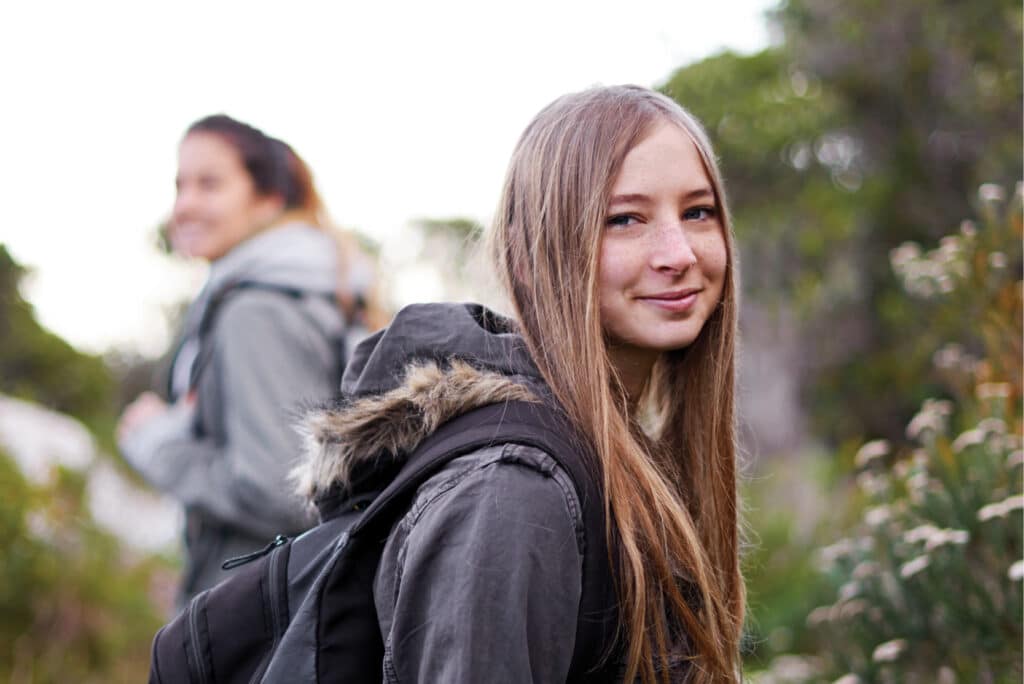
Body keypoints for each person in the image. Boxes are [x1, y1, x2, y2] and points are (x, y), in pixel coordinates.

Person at [292, 85, 744, 682]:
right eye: (625, 219)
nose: (678, 252)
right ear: (531, 256)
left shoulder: (614, 452)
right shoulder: (512, 492)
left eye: (697, 212)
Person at [117, 114, 380, 606]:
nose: (185, 205)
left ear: (269, 200)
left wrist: (155, 443)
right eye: (180, 185)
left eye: (209, 185)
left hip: (256, 613)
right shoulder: (312, 290)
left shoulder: (256, 311)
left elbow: (281, 489)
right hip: (290, 602)